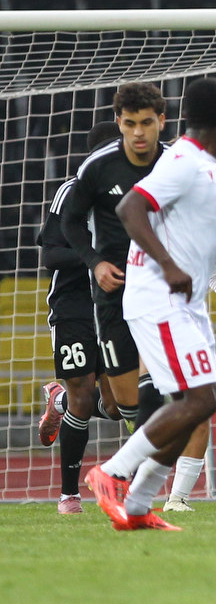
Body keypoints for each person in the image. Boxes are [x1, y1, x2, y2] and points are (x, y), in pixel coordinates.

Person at [86, 76, 216, 530]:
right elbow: (129, 209)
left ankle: (137, 506)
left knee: (200, 402)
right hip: (159, 297)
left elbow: (210, 219)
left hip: (184, 301)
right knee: (198, 399)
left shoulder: (199, 163)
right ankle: (112, 473)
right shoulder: (184, 161)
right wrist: (168, 266)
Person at [60, 83, 170, 433]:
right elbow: (70, 222)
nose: (138, 133)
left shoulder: (176, 165)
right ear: (119, 122)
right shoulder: (98, 167)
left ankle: (166, 467)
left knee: (162, 393)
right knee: (124, 407)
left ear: (161, 121)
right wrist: (95, 263)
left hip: (161, 289)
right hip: (113, 293)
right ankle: (137, 461)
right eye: (130, 123)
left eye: (146, 123)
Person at [35, 121, 122, 514]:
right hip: (73, 306)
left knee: (117, 405)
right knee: (83, 396)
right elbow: (51, 255)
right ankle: (69, 495)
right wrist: (97, 257)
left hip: (113, 306)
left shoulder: (131, 194)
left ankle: (59, 400)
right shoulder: (72, 192)